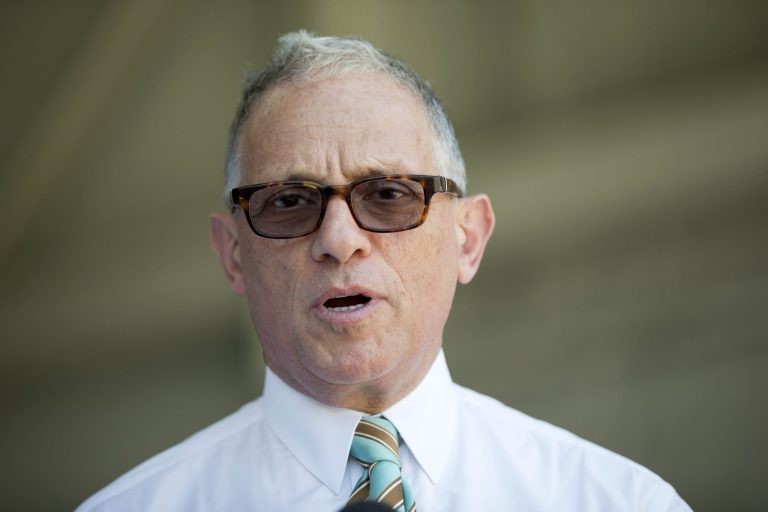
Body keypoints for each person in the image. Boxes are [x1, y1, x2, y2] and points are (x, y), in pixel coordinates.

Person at [78, 31, 692, 511]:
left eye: (389, 195)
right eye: (289, 203)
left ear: (468, 238)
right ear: (233, 254)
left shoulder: (615, 502)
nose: (340, 241)